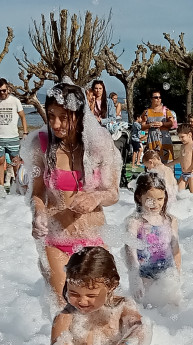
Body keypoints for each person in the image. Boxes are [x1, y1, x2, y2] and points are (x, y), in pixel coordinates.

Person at [24, 81, 121, 305]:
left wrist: (95, 196)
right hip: (56, 239)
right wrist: (38, 211)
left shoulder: (98, 145)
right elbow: (36, 193)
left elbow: (113, 193)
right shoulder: (40, 146)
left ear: (79, 115)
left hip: (93, 238)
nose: (56, 124)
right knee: (64, 308)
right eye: (51, 116)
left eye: (64, 117)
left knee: (99, 308)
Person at [125, 172, 181, 306]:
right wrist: (135, 278)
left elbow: (175, 247)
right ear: (139, 197)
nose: (156, 204)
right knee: (147, 307)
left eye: (160, 199)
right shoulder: (136, 222)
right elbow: (130, 250)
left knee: (173, 307)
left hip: (167, 272)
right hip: (144, 274)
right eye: (150, 199)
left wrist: (178, 273)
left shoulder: (170, 220)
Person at [0, 78, 28, 189]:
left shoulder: (15, 101)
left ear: (8, 88)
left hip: (13, 136)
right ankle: (1, 186)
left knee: (15, 161)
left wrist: (25, 132)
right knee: (0, 160)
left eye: (4, 90)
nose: (2, 93)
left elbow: (23, 116)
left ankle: (19, 185)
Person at [141, 90, 175, 162]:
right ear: (151, 99)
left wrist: (162, 124)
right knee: (151, 161)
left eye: (160, 97)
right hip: (152, 139)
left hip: (164, 139)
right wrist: (149, 125)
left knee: (166, 162)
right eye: (156, 97)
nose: (158, 99)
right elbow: (142, 126)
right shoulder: (146, 112)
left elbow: (171, 123)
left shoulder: (166, 111)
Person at [176, 123, 193, 193]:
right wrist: (168, 164)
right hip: (183, 173)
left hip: (192, 174)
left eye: (182, 137)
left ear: (189, 135)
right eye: (179, 137)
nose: (180, 139)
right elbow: (179, 159)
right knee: (178, 193)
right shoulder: (182, 147)